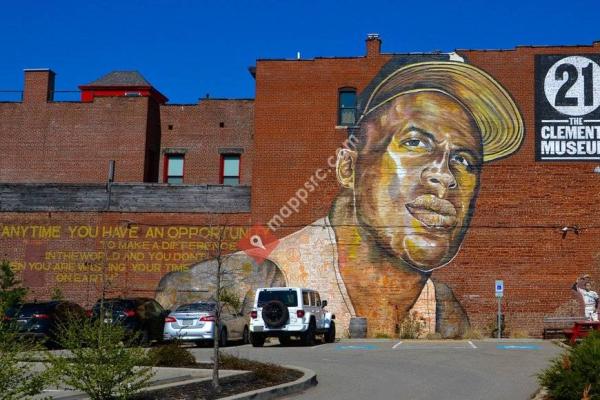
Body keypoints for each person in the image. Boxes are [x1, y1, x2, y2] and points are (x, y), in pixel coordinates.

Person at [156, 60, 524, 338]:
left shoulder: (444, 307)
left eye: (464, 160)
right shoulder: (262, 272)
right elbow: (173, 293)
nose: (444, 176)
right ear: (347, 168)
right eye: (415, 143)